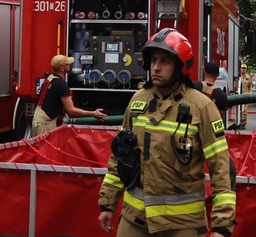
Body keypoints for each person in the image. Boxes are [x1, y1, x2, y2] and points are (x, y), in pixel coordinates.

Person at [97, 29, 235, 237]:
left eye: (165, 61)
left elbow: (221, 168)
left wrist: (222, 226)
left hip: (182, 223)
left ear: (180, 66)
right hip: (135, 218)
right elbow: (120, 156)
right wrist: (108, 203)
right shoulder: (138, 101)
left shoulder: (202, 107)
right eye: (153, 60)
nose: (156, 67)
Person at [31, 55, 106, 136]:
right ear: (62, 69)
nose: (70, 65)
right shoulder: (61, 85)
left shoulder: (49, 78)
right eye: (67, 64)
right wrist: (93, 114)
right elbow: (71, 110)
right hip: (45, 125)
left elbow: (50, 100)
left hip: (38, 120)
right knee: (48, 144)